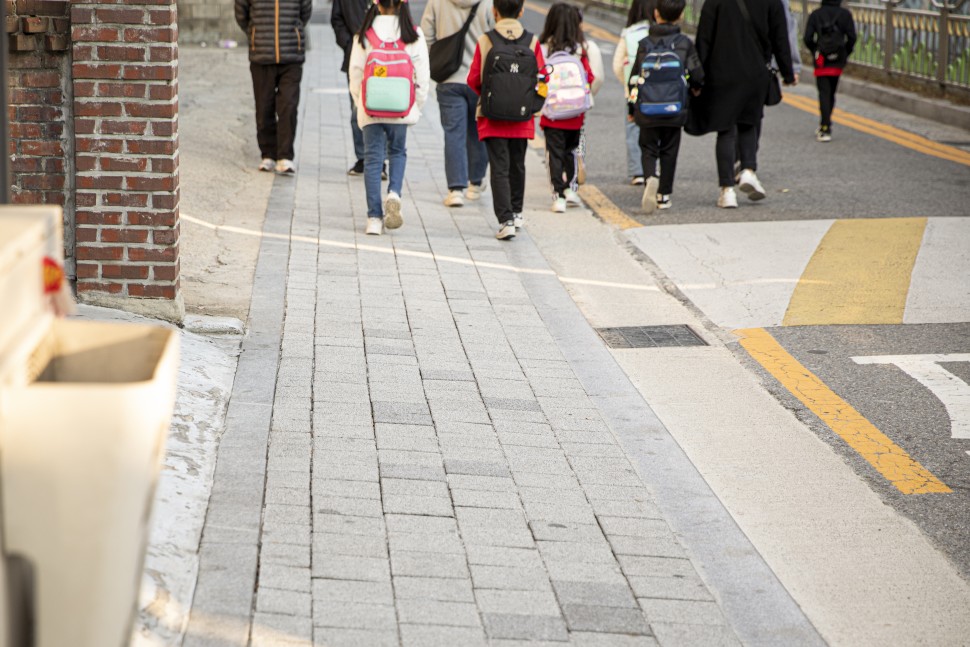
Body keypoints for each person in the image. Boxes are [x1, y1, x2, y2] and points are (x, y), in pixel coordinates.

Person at [689, 0, 795, 208]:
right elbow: (780, 38)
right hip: (755, 74)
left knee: (725, 130)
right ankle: (748, 170)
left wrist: (697, 79)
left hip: (721, 74)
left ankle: (727, 190)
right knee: (749, 123)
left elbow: (704, 38)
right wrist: (788, 73)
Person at [348, 0, 430, 235]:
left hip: (371, 107)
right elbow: (423, 76)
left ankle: (374, 218)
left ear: (377, 3)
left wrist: (360, 103)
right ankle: (393, 193)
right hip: (400, 108)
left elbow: (355, 73)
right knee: (397, 151)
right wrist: (414, 106)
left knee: (373, 159)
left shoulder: (365, 33)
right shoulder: (413, 34)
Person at [467, 0, 545, 240]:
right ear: (521, 11)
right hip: (522, 118)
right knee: (517, 165)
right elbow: (542, 79)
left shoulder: (485, 40)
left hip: (492, 117)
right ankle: (517, 212)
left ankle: (505, 220)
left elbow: (473, 79)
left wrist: (494, 97)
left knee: (499, 168)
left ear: (494, 11)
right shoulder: (532, 40)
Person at [629, 0, 703, 213]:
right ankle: (663, 195)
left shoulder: (644, 44)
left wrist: (631, 108)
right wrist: (695, 89)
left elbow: (634, 77)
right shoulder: (684, 43)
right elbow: (697, 74)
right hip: (674, 106)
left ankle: (650, 177)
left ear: (655, 13)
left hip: (647, 106)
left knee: (648, 147)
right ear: (680, 16)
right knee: (669, 149)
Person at [421, 0, 494, 207]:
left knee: (453, 134)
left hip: (448, 79)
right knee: (478, 131)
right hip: (479, 79)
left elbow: (426, 37)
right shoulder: (488, 3)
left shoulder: (436, 2)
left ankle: (455, 190)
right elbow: (495, 38)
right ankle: (476, 183)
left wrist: (432, 65)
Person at [235, 0, 313, 174]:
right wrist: (256, 33)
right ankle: (268, 154)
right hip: (262, 54)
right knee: (264, 106)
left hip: (291, 56)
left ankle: (285, 156)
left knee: (289, 106)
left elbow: (305, 11)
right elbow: (241, 13)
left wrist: (294, 33)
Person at [539, 3, 595, 213]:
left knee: (554, 153)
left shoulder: (544, 49)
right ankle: (570, 188)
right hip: (575, 113)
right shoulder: (580, 50)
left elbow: (539, 78)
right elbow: (589, 77)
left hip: (552, 113)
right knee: (571, 150)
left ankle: (559, 195)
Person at [612, 0, 654, 185]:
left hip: (634, 91)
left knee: (633, 129)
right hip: (658, 91)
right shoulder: (658, 31)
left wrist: (627, 86)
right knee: (655, 129)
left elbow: (617, 65)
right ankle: (653, 168)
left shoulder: (629, 33)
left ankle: (637, 171)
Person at [804, 0, 856, 142]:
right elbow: (852, 37)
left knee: (823, 92)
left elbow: (807, 38)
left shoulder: (816, 14)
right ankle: (826, 122)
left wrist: (816, 50)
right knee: (831, 92)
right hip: (838, 59)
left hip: (822, 59)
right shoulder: (845, 15)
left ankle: (825, 126)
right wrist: (845, 52)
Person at [332, 0, 370, 175]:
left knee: (385, 107)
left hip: (385, 57)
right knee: (357, 108)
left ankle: (380, 159)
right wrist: (349, 44)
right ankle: (362, 157)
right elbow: (337, 18)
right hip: (355, 56)